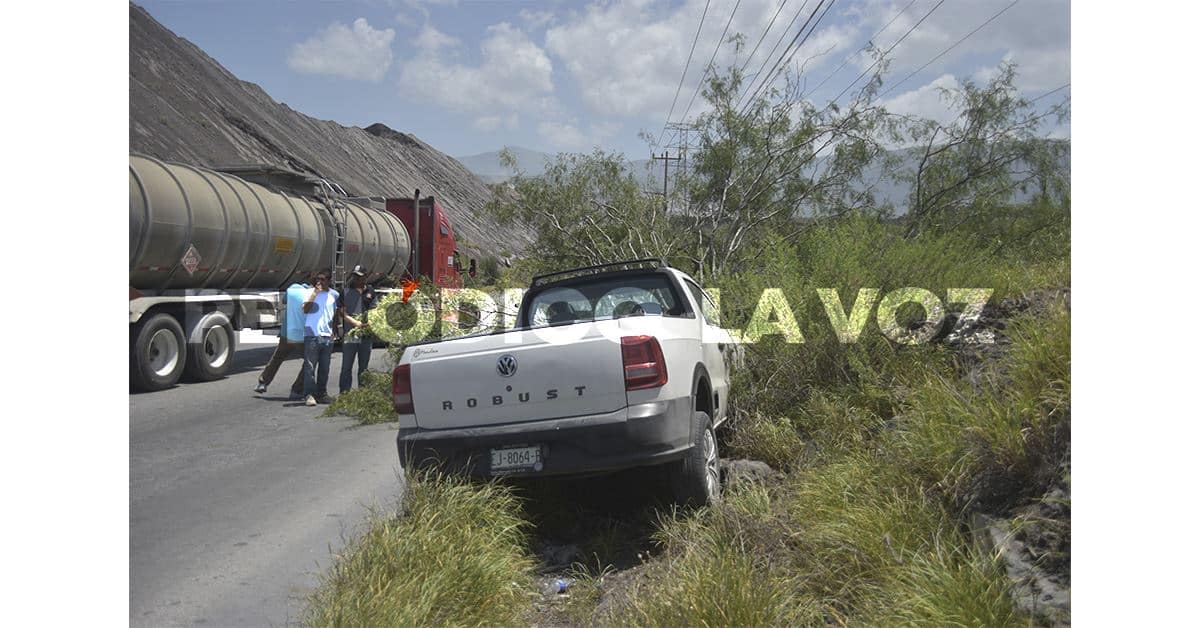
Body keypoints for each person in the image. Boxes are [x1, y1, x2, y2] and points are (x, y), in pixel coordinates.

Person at [254, 277, 310, 397]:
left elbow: (284, 301)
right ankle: (296, 389)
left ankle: (262, 383)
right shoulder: (313, 294)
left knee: (277, 357)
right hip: (301, 335)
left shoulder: (293, 288)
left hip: (286, 333)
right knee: (310, 361)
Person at [302, 269, 339, 406]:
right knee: (310, 367)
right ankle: (309, 394)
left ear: (329, 281)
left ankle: (322, 394)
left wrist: (334, 330)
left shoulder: (334, 295)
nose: (320, 282)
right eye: (318, 279)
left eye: (323, 279)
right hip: (312, 334)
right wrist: (315, 294)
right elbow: (305, 309)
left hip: (327, 336)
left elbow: (335, 314)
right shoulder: (310, 292)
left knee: (325, 367)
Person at [338, 265, 376, 393]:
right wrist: (355, 322)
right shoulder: (346, 291)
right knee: (346, 366)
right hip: (351, 334)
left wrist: (370, 321)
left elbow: (374, 309)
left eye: (359, 276)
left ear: (365, 277)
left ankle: (362, 393)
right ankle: (344, 393)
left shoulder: (370, 291)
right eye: (355, 276)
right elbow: (342, 312)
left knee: (363, 367)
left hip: (366, 335)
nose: (356, 279)